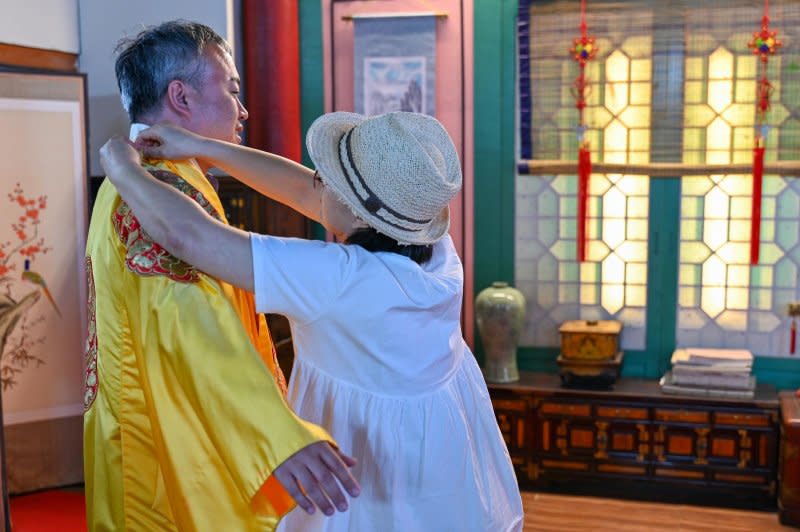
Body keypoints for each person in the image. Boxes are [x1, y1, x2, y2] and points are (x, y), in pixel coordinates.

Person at [100, 110, 525, 531]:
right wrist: (202, 146)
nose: (316, 179)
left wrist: (121, 168)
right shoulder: (437, 254)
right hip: (442, 451)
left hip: (365, 464)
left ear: (360, 215)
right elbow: (303, 191)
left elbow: (188, 236)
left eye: (327, 178)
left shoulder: (335, 278)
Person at [84, 20, 359, 532]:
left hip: (182, 416)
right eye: (233, 90)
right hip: (166, 437)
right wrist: (274, 435)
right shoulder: (158, 192)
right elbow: (189, 325)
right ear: (181, 97)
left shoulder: (149, 178)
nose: (245, 109)